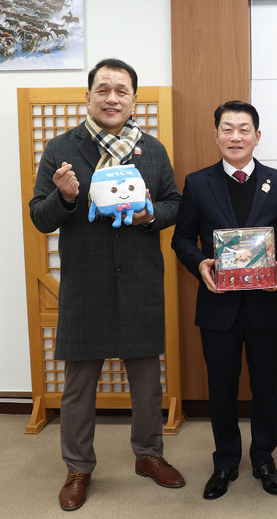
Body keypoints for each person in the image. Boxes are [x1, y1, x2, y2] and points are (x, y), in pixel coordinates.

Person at [29, 58, 185, 511]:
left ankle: (149, 455)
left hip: (140, 280)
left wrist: (150, 214)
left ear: (134, 99)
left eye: (121, 90)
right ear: (88, 96)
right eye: (103, 89)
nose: (112, 98)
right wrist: (65, 197)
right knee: (78, 386)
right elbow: (40, 217)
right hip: (86, 283)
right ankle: (78, 467)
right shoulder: (61, 148)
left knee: (147, 382)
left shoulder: (152, 150)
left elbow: (174, 204)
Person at [171, 101, 277, 500]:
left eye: (244, 129)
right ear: (216, 135)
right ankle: (225, 461)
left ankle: (264, 458)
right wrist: (200, 264)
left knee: (266, 387)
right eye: (227, 129)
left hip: (266, 305)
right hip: (219, 306)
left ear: (257, 136)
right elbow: (181, 238)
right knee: (221, 389)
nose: (235, 136)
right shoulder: (198, 182)